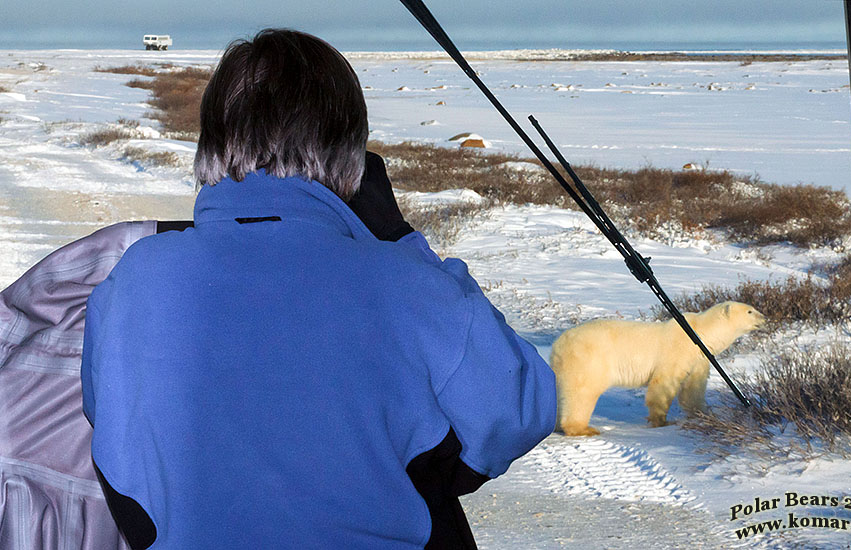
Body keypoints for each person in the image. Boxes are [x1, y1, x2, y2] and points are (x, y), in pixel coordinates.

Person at [81, 28, 556, 549]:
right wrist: (399, 240)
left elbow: (111, 432)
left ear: (213, 142)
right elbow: (521, 407)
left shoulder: (135, 278)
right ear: (350, 153)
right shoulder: (403, 285)